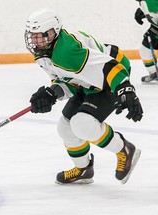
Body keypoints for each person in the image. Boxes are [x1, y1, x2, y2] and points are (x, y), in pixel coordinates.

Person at [25, 8, 143, 184]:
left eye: (40, 35)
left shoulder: (68, 51)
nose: (35, 40)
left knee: (82, 125)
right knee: (65, 128)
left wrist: (124, 88)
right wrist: (51, 93)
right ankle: (84, 169)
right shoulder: (43, 52)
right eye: (32, 36)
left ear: (53, 31)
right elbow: (69, 81)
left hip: (111, 77)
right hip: (88, 83)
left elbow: (109, 67)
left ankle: (124, 149)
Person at [134, 0, 158, 82]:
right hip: (155, 29)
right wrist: (143, 11)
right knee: (145, 50)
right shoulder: (145, 2)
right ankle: (154, 73)